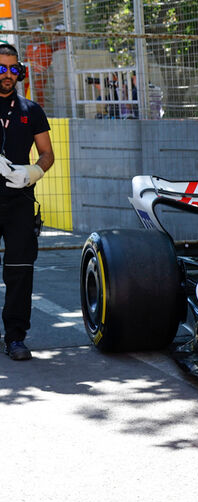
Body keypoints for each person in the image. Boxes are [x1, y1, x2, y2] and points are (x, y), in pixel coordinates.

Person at [0, 43, 53, 361]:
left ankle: (16, 338)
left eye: (12, 69)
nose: (7, 75)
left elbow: (48, 154)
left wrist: (32, 172)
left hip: (19, 201)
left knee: (20, 270)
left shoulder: (31, 110)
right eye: (1, 68)